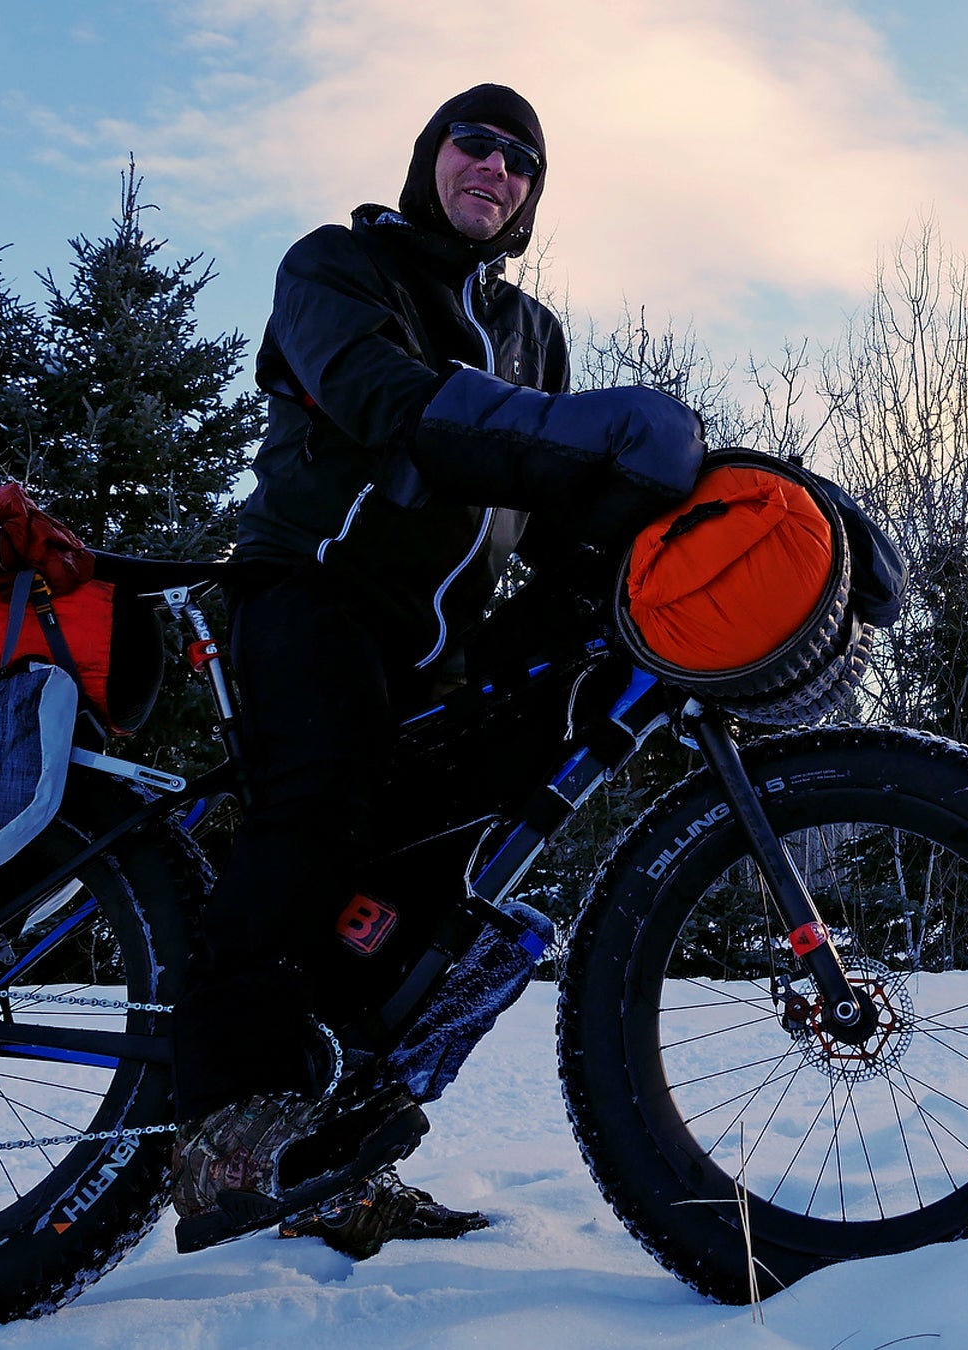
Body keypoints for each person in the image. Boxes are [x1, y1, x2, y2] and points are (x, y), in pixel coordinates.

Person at [169, 84, 707, 1256]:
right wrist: (576, 436)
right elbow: (376, 396)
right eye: (477, 143)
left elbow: (554, 504)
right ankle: (222, 1125)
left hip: (438, 643)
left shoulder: (535, 335)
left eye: (523, 162)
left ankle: (331, 1155)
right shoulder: (338, 266)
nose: (497, 170)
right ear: (431, 158)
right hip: (307, 591)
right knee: (321, 802)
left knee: (437, 899)